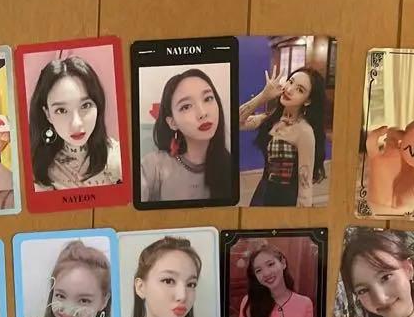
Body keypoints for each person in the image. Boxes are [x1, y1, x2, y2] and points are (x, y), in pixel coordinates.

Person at [28, 55, 122, 190]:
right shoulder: (36, 165)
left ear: (98, 105)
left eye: (85, 105)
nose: (76, 124)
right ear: (47, 114)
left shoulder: (116, 157)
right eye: (61, 110)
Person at [238, 65, 326, 206]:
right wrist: (263, 96)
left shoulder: (304, 131)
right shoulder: (271, 119)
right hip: (261, 196)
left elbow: (305, 187)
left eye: (299, 90)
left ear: (308, 100)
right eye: (290, 82)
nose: (289, 90)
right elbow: (235, 122)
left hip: (284, 202)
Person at [140, 68, 232, 202]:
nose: (202, 113)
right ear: (172, 122)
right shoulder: (153, 167)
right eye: (186, 106)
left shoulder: (228, 165)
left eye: (208, 98)